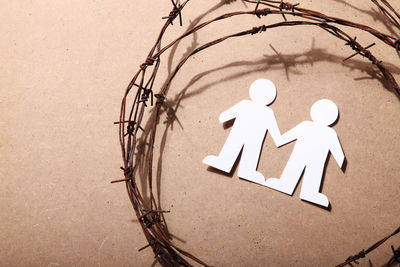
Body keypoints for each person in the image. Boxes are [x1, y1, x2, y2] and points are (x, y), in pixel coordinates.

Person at [265, 99, 345, 207]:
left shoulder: (321, 130)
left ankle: (307, 191)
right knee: (301, 169)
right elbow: (337, 151)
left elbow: (336, 149)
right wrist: (341, 160)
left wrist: (280, 140)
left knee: (312, 173)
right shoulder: (322, 130)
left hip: (311, 158)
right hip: (305, 157)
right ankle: (289, 185)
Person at [203, 79, 281, 186]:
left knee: (246, 149)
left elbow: (225, 115)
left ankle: (236, 166)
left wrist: (223, 116)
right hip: (250, 137)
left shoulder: (249, 105)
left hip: (245, 135)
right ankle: (235, 166)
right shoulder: (266, 111)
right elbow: (274, 130)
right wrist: (279, 139)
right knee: (247, 150)